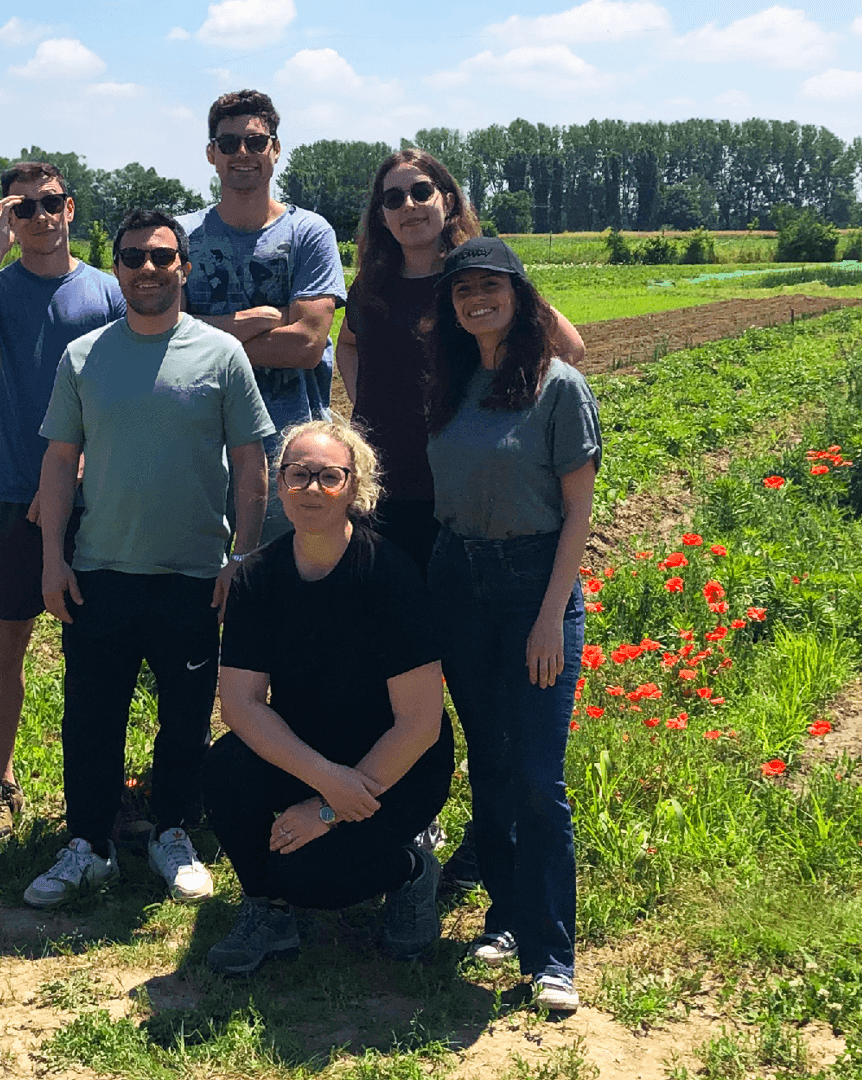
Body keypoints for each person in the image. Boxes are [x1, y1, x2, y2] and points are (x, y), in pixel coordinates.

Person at [337, 149, 587, 895]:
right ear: (380, 215)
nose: (411, 205)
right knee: (408, 672)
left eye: (424, 190)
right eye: (394, 196)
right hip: (391, 504)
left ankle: (492, 835)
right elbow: (346, 350)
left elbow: (567, 349)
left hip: (464, 503)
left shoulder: (476, 277)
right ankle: (420, 814)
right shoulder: (374, 290)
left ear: (448, 199)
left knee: (488, 684)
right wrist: (374, 422)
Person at [26, 209, 274, 909]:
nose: (147, 269)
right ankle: (88, 843)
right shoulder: (85, 357)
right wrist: (53, 557)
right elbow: (58, 460)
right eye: (132, 257)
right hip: (101, 568)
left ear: (184, 268)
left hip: (194, 574)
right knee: (90, 716)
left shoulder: (221, 356)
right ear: (118, 269)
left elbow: (252, 461)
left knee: (187, 715)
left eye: (162, 257)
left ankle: (173, 831)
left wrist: (243, 555)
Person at [204, 419, 452, 976]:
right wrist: (324, 780)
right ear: (282, 485)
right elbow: (241, 705)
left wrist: (328, 807)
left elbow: (419, 723)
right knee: (223, 769)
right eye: (299, 474)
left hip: (398, 765)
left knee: (316, 881)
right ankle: (266, 910)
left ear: (355, 488)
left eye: (329, 477)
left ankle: (411, 871)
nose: (312, 488)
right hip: (310, 753)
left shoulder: (389, 574)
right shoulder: (256, 579)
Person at [425, 237, 600, 1013]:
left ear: (521, 296)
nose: (476, 300)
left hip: (536, 588)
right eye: (463, 291)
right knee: (491, 766)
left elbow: (577, 514)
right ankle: (503, 914)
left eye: (491, 287)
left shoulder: (559, 388)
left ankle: (551, 952)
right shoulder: (456, 384)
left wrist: (548, 619)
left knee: (537, 775)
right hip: (459, 585)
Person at [0, 162, 127, 842]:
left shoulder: (106, 291)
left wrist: (75, 472)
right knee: (8, 639)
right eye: (23, 209)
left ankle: (105, 784)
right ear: (7, 219)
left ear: (71, 208)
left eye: (51, 203)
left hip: (95, 494)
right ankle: (2, 782)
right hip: (13, 489)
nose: (41, 217)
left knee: (101, 647)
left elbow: (123, 387)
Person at [178, 89, 346, 544]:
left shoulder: (309, 233)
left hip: (290, 457)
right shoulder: (181, 236)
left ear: (275, 149)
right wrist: (245, 324)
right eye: (229, 144)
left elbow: (306, 346)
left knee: (285, 597)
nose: (243, 154)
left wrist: (201, 336)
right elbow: (163, 342)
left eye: (255, 142)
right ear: (212, 154)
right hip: (197, 452)